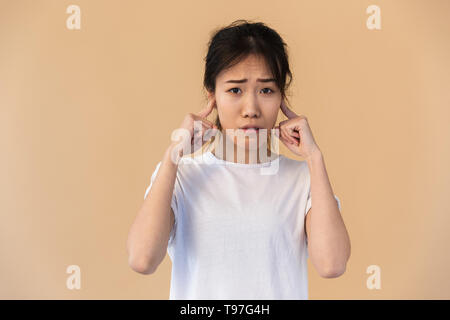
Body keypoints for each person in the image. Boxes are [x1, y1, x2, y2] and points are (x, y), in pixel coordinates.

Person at [127, 19, 351, 300]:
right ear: (212, 96)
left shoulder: (303, 179)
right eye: (235, 90)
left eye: (266, 90)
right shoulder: (181, 176)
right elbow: (142, 259)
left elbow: (332, 264)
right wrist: (173, 155)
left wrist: (314, 159)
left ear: (282, 96)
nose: (251, 109)